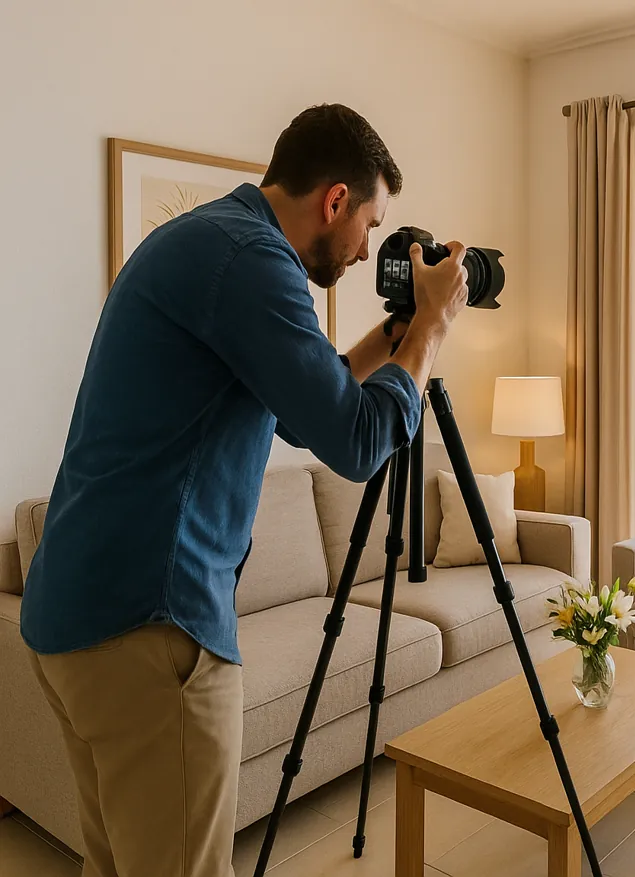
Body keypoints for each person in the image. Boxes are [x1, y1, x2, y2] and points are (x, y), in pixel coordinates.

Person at [19, 104, 467, 877]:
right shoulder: (253, 262)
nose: (367, 252)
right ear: (334, 201)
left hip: (76, 616)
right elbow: (359, 443)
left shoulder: (208, 242)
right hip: (151, 626)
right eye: (371, 222)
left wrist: (399, 335)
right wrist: (430, 330)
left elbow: (310, 409)